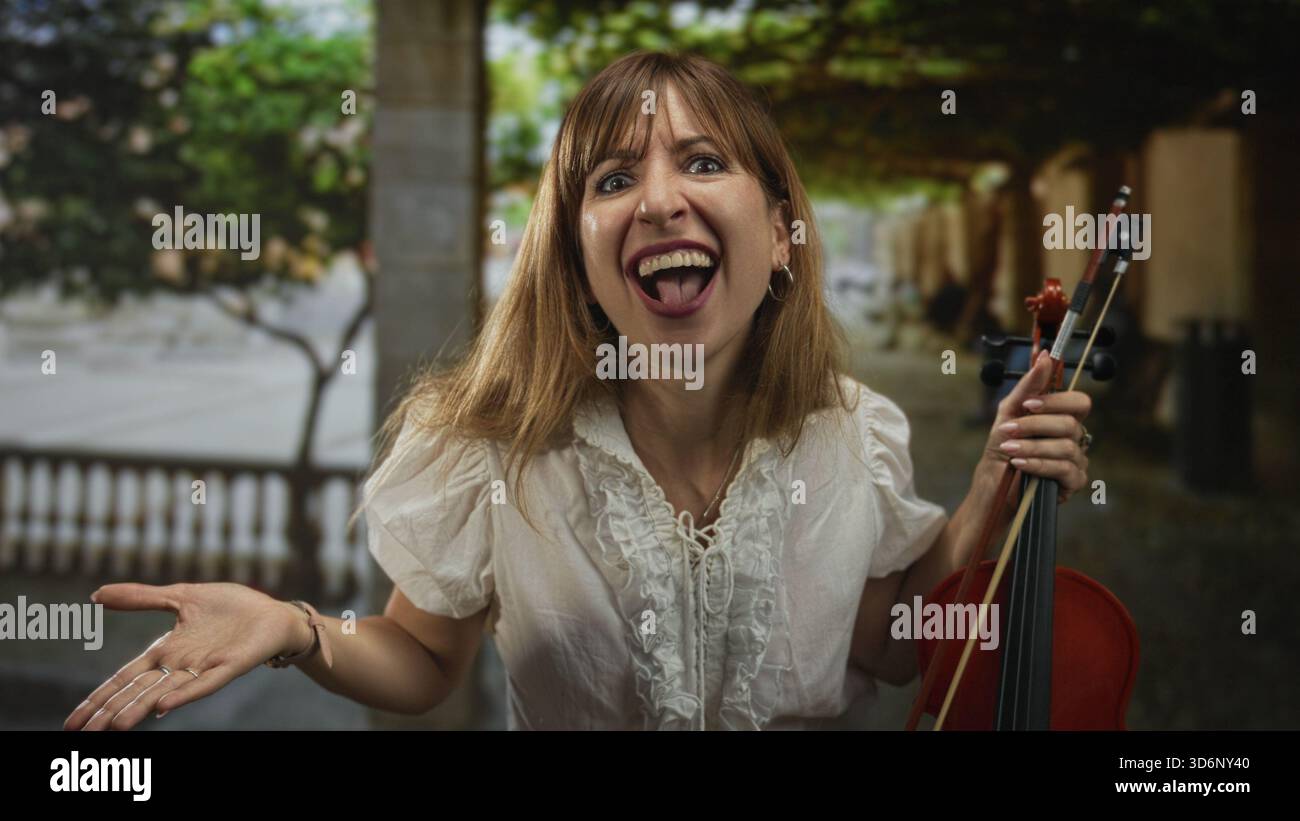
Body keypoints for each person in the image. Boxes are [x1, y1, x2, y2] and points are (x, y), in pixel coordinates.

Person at [63, 52, 1090, 732]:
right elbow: (420, 657)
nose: (656, 198)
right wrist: (298, 628)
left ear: (781, 233)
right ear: (576, 258)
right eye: (608, 179)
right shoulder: (490, 454)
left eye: (700, 160)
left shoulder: (850, 437)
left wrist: (988, 497)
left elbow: (894, 646)